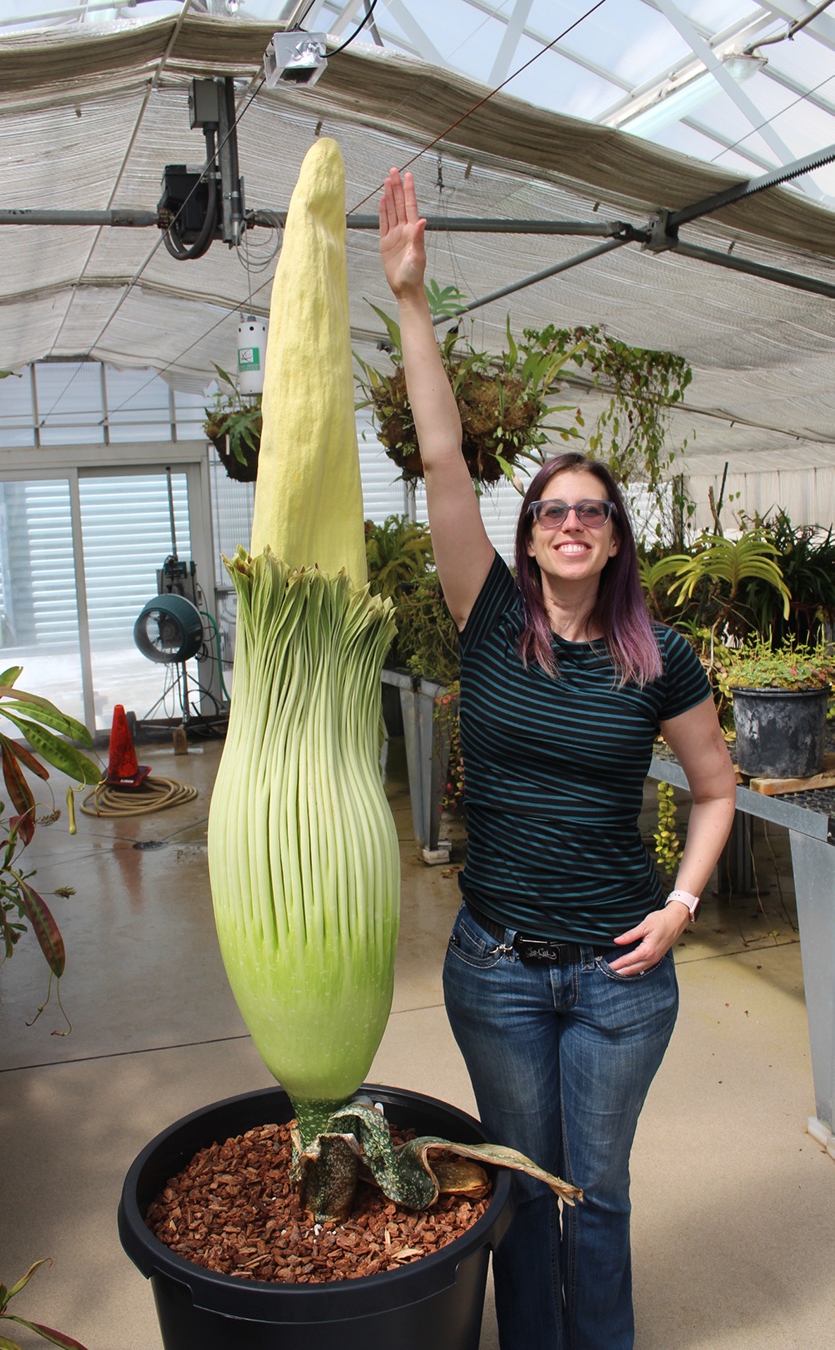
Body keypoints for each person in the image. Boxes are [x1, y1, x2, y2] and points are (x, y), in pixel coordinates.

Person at [379, 167, 737, 1350]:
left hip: (622, 977)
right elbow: (442, 461)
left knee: (602, 1195)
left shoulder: (659, 655)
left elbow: (717, 788)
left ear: (616, 539)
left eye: (592, 512)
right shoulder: (487, 617)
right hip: (497, 966)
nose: (569, 524)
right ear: (528, 538)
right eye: (550, 512)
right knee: (522, 1189)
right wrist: (412, 301)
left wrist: (683, 902)